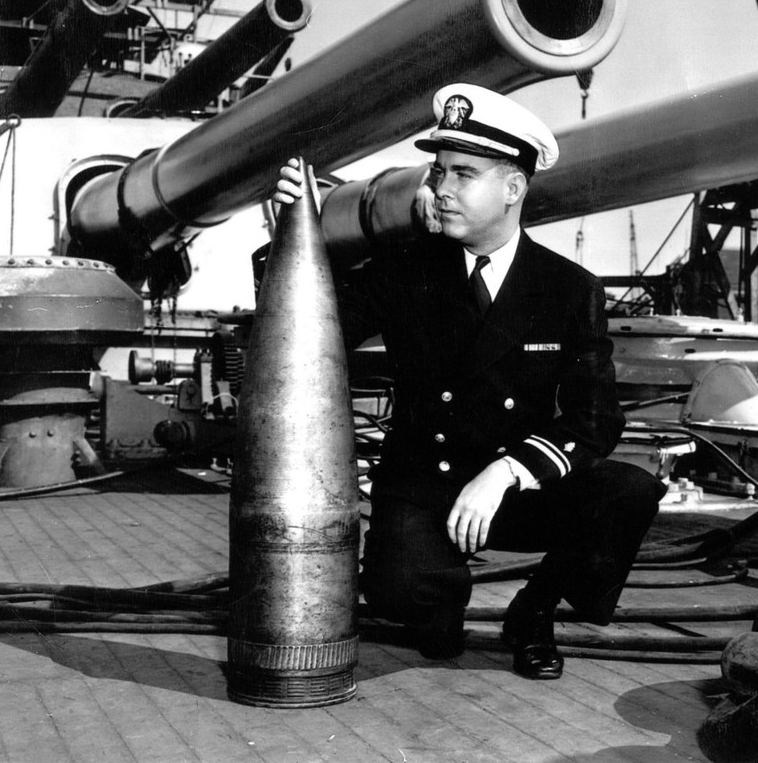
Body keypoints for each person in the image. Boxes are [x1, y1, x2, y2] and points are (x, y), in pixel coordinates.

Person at [274, 83, 665, 680]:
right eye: (439, 171)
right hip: (426, 489)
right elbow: (303, 321)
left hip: (510, 490)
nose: (441, 188)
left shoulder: (567, 289)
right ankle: (438, 602)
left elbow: (596, 419)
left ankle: (534, 610)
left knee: (628, 492)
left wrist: (507, 472)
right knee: (405, 604)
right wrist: (295, 227)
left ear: (513, 188)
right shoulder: (404, 270)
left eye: (463, 174)